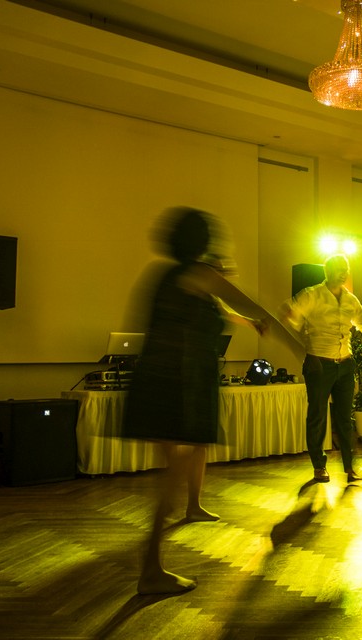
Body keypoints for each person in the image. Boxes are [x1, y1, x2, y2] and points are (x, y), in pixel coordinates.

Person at [123, 207, 276, 595]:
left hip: (158, 382)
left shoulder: (164, 277)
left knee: (170, 480)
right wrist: (281, 326)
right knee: (169, 484)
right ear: (202, 242)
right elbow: (250, 306)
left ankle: (155, 559)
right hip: (179, 387)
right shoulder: (203, 274)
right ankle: (150, 570)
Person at [279, 254, 362, 484]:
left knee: (345, 418)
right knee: (317, 416)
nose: (343, 273)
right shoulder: (312, 295)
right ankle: (319, 467)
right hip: (318, 364)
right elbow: (286, 314)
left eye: (346, 269)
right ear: (327, 271)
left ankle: (350, 467)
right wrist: (301, 346)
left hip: (345, 363)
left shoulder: (350, 300)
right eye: (339, 268)